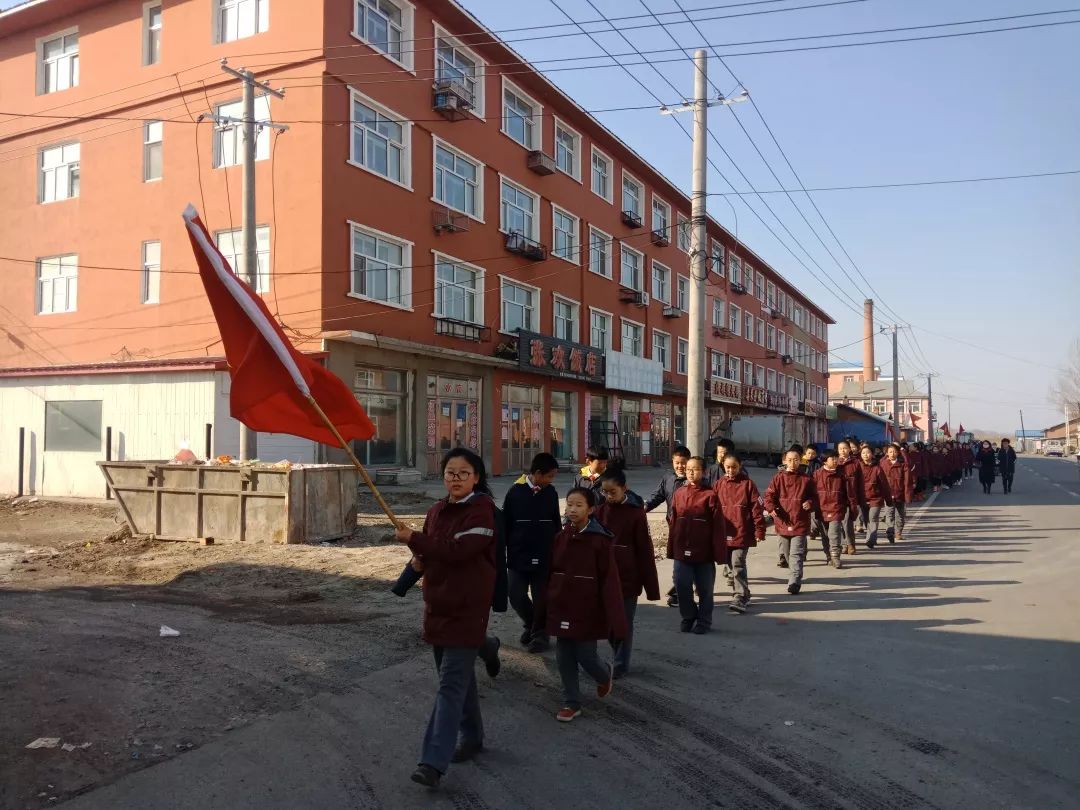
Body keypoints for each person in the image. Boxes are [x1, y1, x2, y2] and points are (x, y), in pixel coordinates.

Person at [395, 449, 502, 789]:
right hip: (438, 606)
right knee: (459, 680)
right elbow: (427, 554)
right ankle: (472, 737)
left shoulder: (484, 513)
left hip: (468, 608)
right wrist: (406, 576)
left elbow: (458, 552)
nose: (455, 478)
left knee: (449, 687)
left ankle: (432, 762)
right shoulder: (436, 511)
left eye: (463, 472)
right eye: (450, 472)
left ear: (476, 477)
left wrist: (415, 537)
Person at [540, 487, 627, 723]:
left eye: (579, 505)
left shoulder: (600, 541)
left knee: (586, 656)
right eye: (569, 504)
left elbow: (609, 582)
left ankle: (603, 674)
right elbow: (550, 573)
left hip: (588, 608)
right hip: (561, 605)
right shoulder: (560, 537)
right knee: (563, 655)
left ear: (591, 509)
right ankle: (571, 702)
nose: (573, 509)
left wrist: (616, 620)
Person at [594, 460, 660, 677]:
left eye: (612, 492)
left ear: (625, 488)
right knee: (607, 621)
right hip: (603, 577)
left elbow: (645, 550)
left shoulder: (636, 514)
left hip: (628, 577)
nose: (608, 496)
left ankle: (621, 662)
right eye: (604, 492)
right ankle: (617, 651)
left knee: (624, 622)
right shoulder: (599, 512)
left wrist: (650, 585)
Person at [503, 452, 561, 653]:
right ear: (537, 473)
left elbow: (556, 524)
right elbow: (505, 524)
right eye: (549, 476)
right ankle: (531, 623)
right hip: (519, 554)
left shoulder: (551, 493)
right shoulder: (515, 492)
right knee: (515, 593)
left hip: (545, 554)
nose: (551, 480)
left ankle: (540, 635)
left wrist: (558, 550)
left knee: (542, 597)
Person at [669, 457, 726, 632]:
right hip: (681, 551)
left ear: (704, 472)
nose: (691, 472)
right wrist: (671, 548)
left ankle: (704, 621)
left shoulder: (710, 496)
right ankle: (688, 615)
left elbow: (718, 527)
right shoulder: (679, 493)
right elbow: (673, 522)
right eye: (688, 469)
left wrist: (719, 553)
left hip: (704, 553)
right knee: (681, 586)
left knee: (705, 591)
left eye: (695, 469)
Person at [714, 453, 766, 612]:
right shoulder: (718, 485)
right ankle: (745, 592)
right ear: (723, 465)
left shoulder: (748, 484)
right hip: (724, 532)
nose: (730, 470)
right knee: (730, 565)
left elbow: (757, 509)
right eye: (727, 467)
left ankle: (740, 597)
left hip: (742, 532)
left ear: (740, 466)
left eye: (734, 467)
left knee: (737, 564)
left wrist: (759, 529)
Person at [764, 449, 819, 594]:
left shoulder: (807, 479)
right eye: (789, 460)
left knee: (797, 554)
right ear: (784, 461)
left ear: (800, 460)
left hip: (800, 521)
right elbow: (769, 496)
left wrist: (810, 503)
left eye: (796, 459)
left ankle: (794, 581)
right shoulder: (778, 478)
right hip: (783, 521)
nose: (793, 462)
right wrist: (771, 508)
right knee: (788, 555)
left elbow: (816, 497)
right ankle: (794, 573)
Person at [645, 445, 692, 607]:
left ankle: (681, 590)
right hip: (673, 525)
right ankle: (681, 586)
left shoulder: (694, 479)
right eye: (677, 463)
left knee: (685, 558)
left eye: (683, 463)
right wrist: (644, 508)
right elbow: (657, 496)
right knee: (677, 557)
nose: (680, 466)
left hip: (692, 527)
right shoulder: (668, 478)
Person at [813, 450, 849, 569]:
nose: (835, 461)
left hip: (836, 509)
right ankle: (828, 556)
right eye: (832, 459)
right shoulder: (817, 474)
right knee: (825, 535)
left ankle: (836, 557)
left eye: (835, 458)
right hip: (821, 509)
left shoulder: (842, 474)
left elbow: (848, 493)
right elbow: (811, 492)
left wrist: (849, 506)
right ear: (824, 461)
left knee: (834, 534)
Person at [858, 443, 893, 549]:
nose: (865, 455)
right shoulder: (857, 467)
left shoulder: (877, 468)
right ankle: (872, 536)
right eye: (863, 453)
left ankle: (870, 539)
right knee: (866, 519)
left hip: (875, 498)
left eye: (868, 453)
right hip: (862, 498)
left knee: (873, 518)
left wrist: (888, 499)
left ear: (872, 454)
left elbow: (884, 485)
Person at [879, 443, 911, 543]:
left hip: (900, 493)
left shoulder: (903, 464)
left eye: (894, 451)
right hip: (888, 493)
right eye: (890, 452)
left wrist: (907, 494)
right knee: (889, 513)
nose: (892, 454)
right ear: (887, 453)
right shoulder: (883, 463)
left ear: (898, 453)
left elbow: (907, 481)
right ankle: (890, 530)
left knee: (900, 514)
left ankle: (898, 532)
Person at [836, 440, 862, 555]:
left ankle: (851, 544)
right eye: (840, 448)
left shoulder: (856, 463)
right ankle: (844, 544)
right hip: (837, 497)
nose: (843, 450)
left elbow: (860, 482)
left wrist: (860, 498)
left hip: (850, 497)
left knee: (847, 522)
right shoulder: (834, 462)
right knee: (838, 523)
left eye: (845, 448)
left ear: (850, 449)